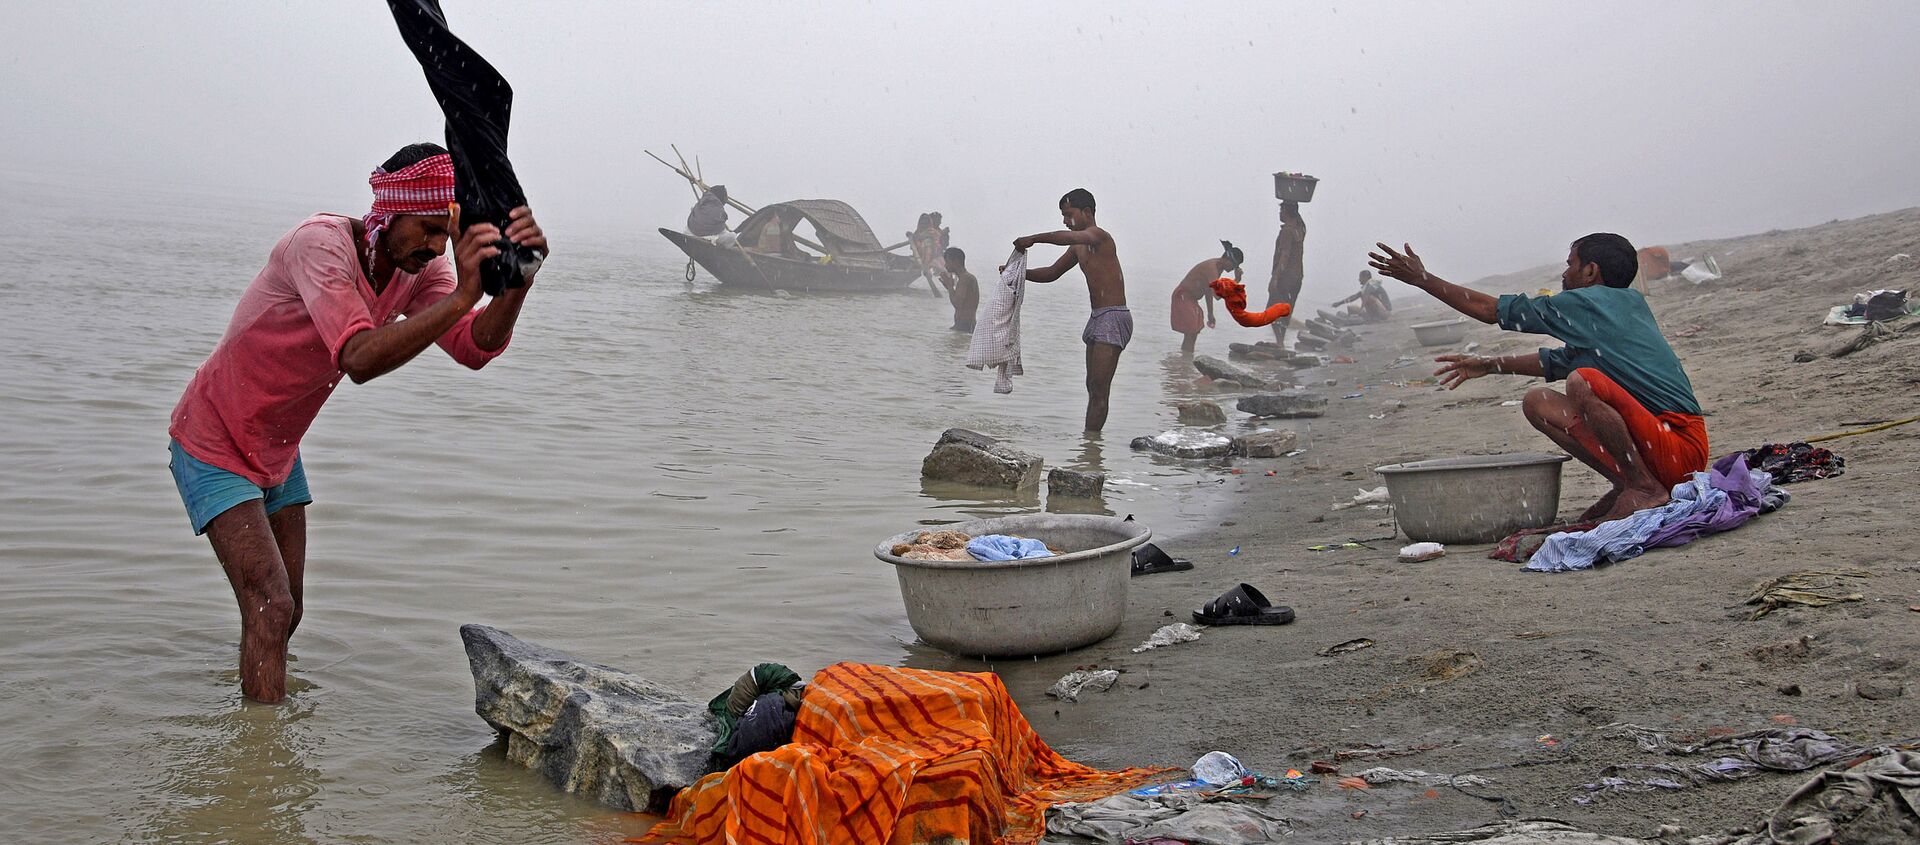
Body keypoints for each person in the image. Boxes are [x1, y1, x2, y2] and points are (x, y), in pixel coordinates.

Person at [167, 143, 548, 703]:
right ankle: (260, 767)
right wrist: (468, 290)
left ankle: (257, 719)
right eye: (425, 229)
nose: (435, 246)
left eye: (445, 234)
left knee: (285, 609)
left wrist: (517, 282)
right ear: (388, 213)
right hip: (213, 436)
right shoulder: (320, 246)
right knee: (270, 604)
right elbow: (359, 358)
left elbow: (474, 345)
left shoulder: (420, 271)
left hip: (277, 447)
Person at [1368, 233, 1706, 523]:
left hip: (1679, 447)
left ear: (1590, 271)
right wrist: (1488, 364)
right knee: (1538, 401)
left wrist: (1421, 279)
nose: (1564, 271)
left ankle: (1643, 486)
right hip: (1671, 453)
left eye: (1571, 264)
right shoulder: (1623, 305)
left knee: (1582, 382)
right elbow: (1556, 362)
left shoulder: (1587, 303)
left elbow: (1490, 311)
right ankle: (1628, 482)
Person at [1012, 188, 1130, 432]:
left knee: (1100, 389)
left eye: (1068, 214)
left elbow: (1063, 237)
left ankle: (1091, 444)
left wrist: (1033, 239)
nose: (1065, 221)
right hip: (1097, 316)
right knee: (1091, 386)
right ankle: (1089, 446)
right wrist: (1019, 275)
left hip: (1114, 316)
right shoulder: (1078, 247)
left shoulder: (1098, 236)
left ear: (1087, 212)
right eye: (1063, 216)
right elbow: (1052, 273)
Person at [1171, 241, 1237, 354]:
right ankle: (1184, 362)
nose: (1234, 268)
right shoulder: (1212, 268)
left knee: (1193, 333)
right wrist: (1236, 281)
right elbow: (1217, 295)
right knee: (1191, 331)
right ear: (1227, 260)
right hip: (1183, 296)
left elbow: (1208, 291)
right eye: (1234, 265)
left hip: (1191, 299)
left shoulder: (1218, 268)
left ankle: (1185, 360)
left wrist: (1210, 313)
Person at [1267, 200, 1306, 345]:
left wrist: (1275, 278)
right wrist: (1293, 203)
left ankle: (1279, 343)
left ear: (1286, 212)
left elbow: (1284, 255)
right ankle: (1280, 342)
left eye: (1281, 210)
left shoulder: (1287, 231)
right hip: (1297, 277)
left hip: (1286, 277)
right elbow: (1300, 221)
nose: (1279, 213)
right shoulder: (1300, 229)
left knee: (1272, 310)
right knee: (1286, 310)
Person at [934, 246, 979, 333]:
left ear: (956, 262)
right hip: (964, 325)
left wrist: (950, 286)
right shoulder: (964, 278)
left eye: (947, 262)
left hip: (965, 326)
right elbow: (961, 302)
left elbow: (957, 303)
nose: (945, 265)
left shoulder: (965, 278)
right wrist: (948, 286)